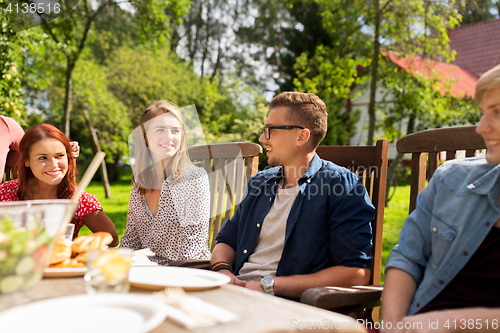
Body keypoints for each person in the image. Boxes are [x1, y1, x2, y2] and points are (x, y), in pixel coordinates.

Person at [211, 92, 375, 299]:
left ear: (302, 136)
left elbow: (356, 272)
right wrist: (223, 270)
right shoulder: (260, 183)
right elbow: (226, 240)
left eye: (270, 130)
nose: (262, 139)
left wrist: (270, 286)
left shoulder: (340, 185)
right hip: (233, 294)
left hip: (286, 307)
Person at [381, 64, 500, 333]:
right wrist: (392, 327)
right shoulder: (451, 179)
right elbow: (407, 258)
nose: (481, 128)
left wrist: (449, 323)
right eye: (483, 114)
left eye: (497, 113)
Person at [120, 100, 211, 265]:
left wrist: (155, 272)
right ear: (145, 137)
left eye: (175, 130)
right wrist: (115, 262)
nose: (169, 137)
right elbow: (130, 239)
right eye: (160, 130)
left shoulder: (194, 179)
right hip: (147, 270)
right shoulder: (140, 182)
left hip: (188, 272)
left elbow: (192, 249)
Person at [0, 124, 118, 246]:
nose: (53, 164)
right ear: (26, 161)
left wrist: (76, 246)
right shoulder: (6, 192)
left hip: (60, 263)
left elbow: (112, 239)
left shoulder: (79, 199)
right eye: (42, 158)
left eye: (59, 156)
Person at [1, 115, 79, 182]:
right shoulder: (7, 191)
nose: (54, 165)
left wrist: (62, 148)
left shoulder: (6, 126)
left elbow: (32, 147)